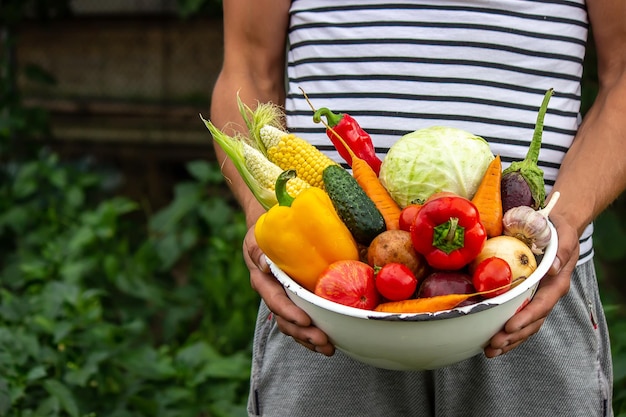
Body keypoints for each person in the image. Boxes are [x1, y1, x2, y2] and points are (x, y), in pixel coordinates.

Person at [209, 1, 626, 416]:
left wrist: (565, 220)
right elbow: (246, 68)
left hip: (530, 288)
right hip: (323, 303)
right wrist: (264, 223)